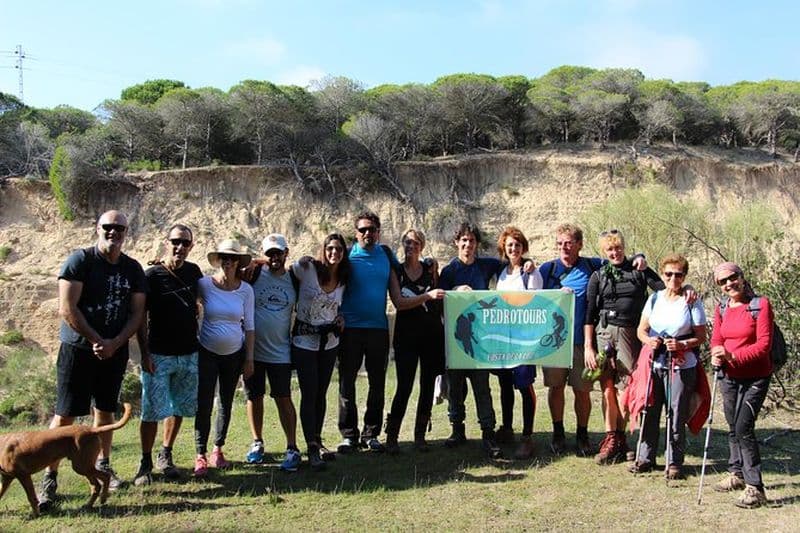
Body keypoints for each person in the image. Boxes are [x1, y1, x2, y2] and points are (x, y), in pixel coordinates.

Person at [38, 210, 146, 512]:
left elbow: (137, 313)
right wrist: (97, 339)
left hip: (114, 350)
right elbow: (67, 307)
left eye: (120, 228)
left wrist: (115, 342)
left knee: (105, 412)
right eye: (108, 227)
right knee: (65, 415)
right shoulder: (80, 261)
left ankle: (104, 465)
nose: (114, 233)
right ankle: (50, 477)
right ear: (97, 228)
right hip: (79, 350)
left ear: (126, 232)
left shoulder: (132, 268)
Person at [584, 229, 664, 465]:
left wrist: (646, 265)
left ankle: (623, 438)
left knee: (625, 386)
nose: (615, 252)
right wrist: (588, 346)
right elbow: (590, 312)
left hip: (631, 334)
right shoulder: (598, 276)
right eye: (610, 249)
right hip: (604, 333)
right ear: (604, 252)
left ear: (624, 248)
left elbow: (663, 288)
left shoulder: (638, 271)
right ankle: (612, 438)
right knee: (606, 385)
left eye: (618, 247)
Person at [133, 224, 203, 486]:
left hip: (188, 353)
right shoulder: (150, 275)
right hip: (158, 354)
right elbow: (140, 317)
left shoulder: (194, 272)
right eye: (176, 242)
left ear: (191, 246)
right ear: (167, 241)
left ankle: (166, 453)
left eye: (185, 243)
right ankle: (145, 462)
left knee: (179, 407)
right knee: (151, 411)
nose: (180, 247)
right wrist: (144, 353)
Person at [629, 254, 706, 480]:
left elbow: (701, 336)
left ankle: (674, 461)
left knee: (676, 411)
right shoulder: (654, 299)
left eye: (679, 274)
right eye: (669, 274)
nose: (673, 278)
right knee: (649, 408)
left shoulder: (692, 300)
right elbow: (641, 331)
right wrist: (649, 341)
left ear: (684, 276)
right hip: (655, 362)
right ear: (662, 275)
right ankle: (645, 457)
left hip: (682, 365)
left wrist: (682, 344)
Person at [710, 262, 773, 508]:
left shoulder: (760, 305)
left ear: (741, 276)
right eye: (723, 282)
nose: (729, 284)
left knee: (744, 426)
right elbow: (717, 337)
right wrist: (717, 351)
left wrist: (733, 357)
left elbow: (764, 345)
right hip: (729, 376)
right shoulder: (722, 308)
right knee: (733, 425)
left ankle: (755, 488)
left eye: (732, 278)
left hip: (755, 377)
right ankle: (736, 473)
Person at [438, 222, 504, 459]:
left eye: (472, 241)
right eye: (463, 240)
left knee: (482, 388)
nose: (468, 244)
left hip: (481, 342)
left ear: (476, 244)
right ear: (457, 242)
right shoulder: (448, 271)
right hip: (456, 340)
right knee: (455, 389)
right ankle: (457, 430)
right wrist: (456, 289)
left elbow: (510, 266)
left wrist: (526, 264)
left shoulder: (486, 265)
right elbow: (440, 303)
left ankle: (488, 432)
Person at [337, 210, 400, 453]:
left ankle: (371, 434)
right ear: (356, 233)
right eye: (362, 230)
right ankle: (349, 436)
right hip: (350, 330)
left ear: (378, 232)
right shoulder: (346, 255)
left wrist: (429, 264)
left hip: (378, 329)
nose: (367, 233)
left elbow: (405, 270)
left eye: (372, 229)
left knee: (377, 383)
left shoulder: (386, 254)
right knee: (346, 383)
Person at [194, 239, 255, 477]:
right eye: (224, 258)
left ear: (238, 262)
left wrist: (249, 358)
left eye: (232, 258)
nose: (228, 262)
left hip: (234, 355)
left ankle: (217, 450)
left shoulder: (245, 290)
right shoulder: (205, 284)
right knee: (204, 402)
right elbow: (184, 288)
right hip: (207, 352)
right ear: (218, 261)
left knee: (225, 402)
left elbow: (249, 325)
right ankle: (200, 454)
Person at [242, 234, 301, 472]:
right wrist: (255, 262)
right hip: (253, 351)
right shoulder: (254, 274)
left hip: (281, 352)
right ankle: (257, 442)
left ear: (287, 253)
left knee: (283, 398)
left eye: (278, 253)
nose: (274, 258)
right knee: (253, 397)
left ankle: (292, 447)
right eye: (269, 254)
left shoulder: (295, 279)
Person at [384, 229, 446, 454]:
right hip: (406, 337)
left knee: (428, 386)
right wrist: (426, 296)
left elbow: (440, 300)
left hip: (431, 336)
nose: (410, 246)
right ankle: (392, 436)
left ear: (422, 246)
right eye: (407, 242)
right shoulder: (396, 271)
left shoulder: (430, 269)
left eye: (415, 243)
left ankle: (420, 435)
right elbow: (399, 302)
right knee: (404, 386)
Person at [292, 233, 350, 470]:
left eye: (338, 249)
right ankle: (311, 447)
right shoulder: (307, 269)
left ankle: (317, 439)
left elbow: (338, 307)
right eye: (330, 248)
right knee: (309, 393)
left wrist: (340, 318)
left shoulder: (344, 279)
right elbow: (280, 269)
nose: (333, 253)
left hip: (329, 342)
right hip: (304, 341)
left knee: (322, 392)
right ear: (323, 249)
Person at [494, 226, 543, 459]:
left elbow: (536, 304)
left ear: (523, 247)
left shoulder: (530, 272)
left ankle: (527, 437)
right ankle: (507, 428)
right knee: (504, 385)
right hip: (504, 338)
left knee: (524, 387)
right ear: (504, 247)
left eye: (518, 245)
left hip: (524, 339)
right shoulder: (501, 273)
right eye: (510, 245)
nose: (513, 249)